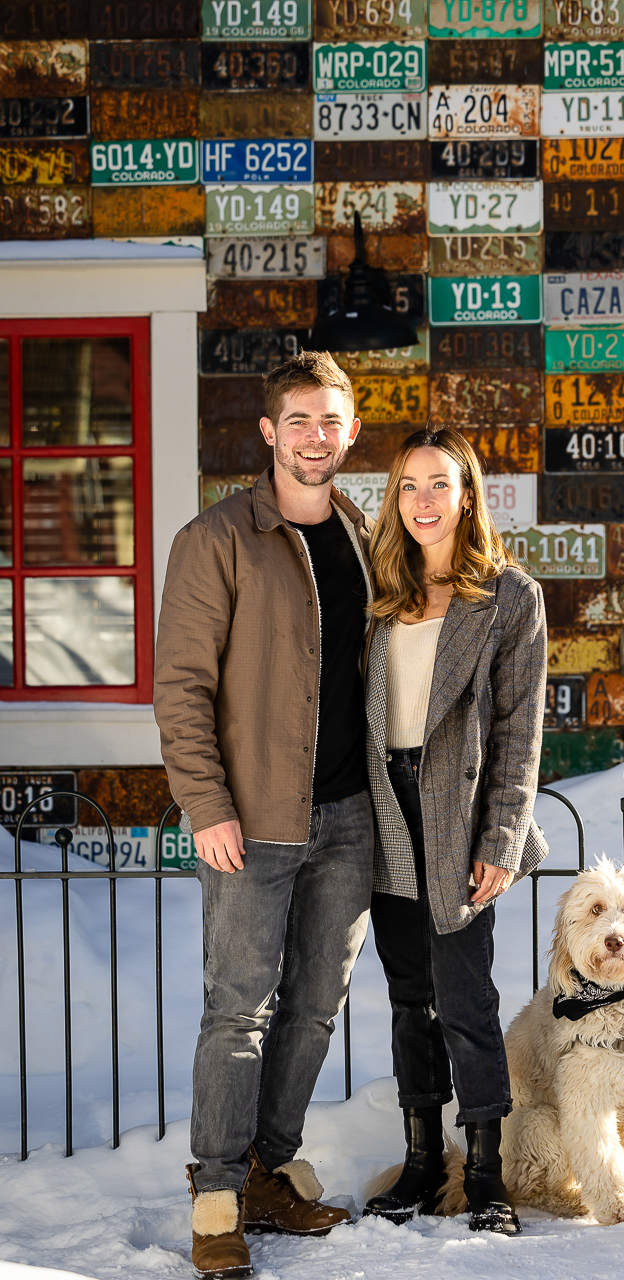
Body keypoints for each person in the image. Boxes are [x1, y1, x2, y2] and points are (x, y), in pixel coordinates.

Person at [153, 351, 375, 1279]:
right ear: (268, 433)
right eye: (298, 421)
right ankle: (213, 1195)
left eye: (331, 422)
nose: (314, 438)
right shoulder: (217, 539)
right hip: (251, 819)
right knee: (238, 1008)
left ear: (349, 431)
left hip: (350, 818)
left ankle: (268, 1168)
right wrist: (205, 805)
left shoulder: (365, 531)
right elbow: (181, 687)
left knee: (316, 1008)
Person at [361, 427, 548, 1236]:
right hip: (381, 810)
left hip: (458, 812)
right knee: (410, 1001)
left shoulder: (509, 597)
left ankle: (485, 1175)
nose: (423, 502)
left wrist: (500, 843)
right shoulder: (376, 588)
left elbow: (519, 732)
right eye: (407, 486)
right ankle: (421, 1162)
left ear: (467, 494)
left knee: (465, 1000)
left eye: (438, 484)